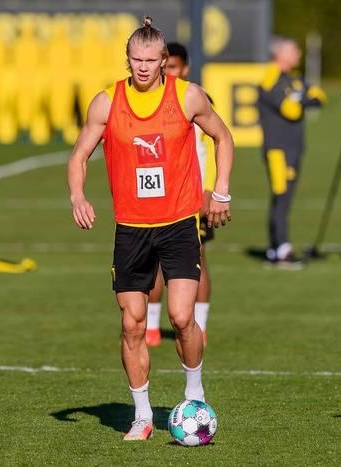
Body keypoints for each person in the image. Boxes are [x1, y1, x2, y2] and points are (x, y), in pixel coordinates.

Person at [67, 17, 233, 441]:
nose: (143, 67)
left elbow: (223, 137)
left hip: (179, 223)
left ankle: (194, 394)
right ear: (128, 59)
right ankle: (142, 416)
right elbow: (80, 154)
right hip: (131, 228)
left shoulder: (187, 96)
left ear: (164, 60)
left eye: (150, 60)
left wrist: (221, 191)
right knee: (133, 324)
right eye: (136, 60)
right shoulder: (107, 102)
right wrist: (78, 196)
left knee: (181, 316)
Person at [146, 42, 217, 348]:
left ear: (185, 68)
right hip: (159, 196)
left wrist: (210, 190)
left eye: (173, 67)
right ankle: (150, 326)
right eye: (166, 66)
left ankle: (200, 324)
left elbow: (214, 145)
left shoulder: (195, 98)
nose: (169, 72)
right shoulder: (152, 99)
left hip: (192, 197)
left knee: (196, 258)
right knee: (153, 261)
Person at [257, 36, 326, 268]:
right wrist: (305, 99)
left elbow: (320, 97)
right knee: (281, 198)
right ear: (280, 53)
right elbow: (291, 110)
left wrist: (302, 99)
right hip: (277, 150)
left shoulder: (293, 78)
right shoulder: (271, 77)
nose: (298, 54)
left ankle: (276, 248)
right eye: (294, 50)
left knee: (285, 199)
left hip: (293, 148)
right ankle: (281, 249)